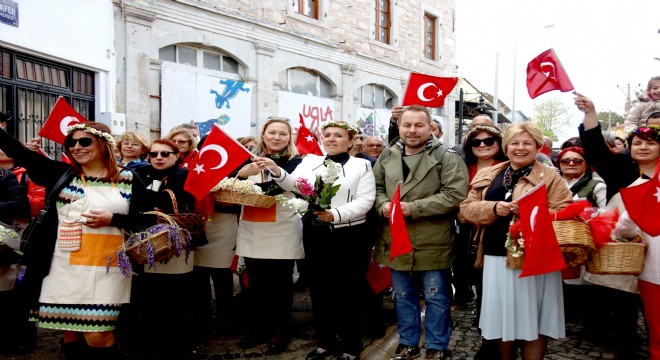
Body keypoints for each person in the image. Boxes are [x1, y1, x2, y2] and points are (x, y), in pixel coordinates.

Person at [0, 122, 152, 360]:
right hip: (63, 267)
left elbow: (149, 220)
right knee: (72, 332)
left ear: (104, 144)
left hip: (108, 268)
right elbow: (20, 153)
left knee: (98, 335)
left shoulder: (128, 178)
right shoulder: (60, 173)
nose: (76, 147)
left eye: (84, 141)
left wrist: (114, 219)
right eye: (71, 143)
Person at [255, 120, 375, 360]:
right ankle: (325, 343)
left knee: (347, 291)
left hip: (348, 235)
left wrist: (336, 214)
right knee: (320, 291)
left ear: (350, 142)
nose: (331, 139)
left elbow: (365, 201)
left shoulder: (361, 165)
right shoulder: (310, 161)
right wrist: (277, 171)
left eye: (338, 135)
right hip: (315, 234)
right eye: (327, 135)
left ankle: (351, 344)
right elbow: (294, 185)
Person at [460, 122, 572, 360]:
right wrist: (494, 207)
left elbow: (565, 211)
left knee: (534, 326)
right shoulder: (489, 173)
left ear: (538, 146)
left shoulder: (550, 176)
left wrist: (531, 213)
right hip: (494, 256)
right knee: (502, 326)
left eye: (527, 143)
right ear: (506, 146)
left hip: (533, 261)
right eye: (515, 143)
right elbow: (466, 209)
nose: (520, 148)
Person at [374, 105, 468, 360]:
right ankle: (408, 343)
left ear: (430, 127)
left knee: (436, 297)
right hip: (395, 237)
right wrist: (383, 205)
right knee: (403, 296)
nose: (412, 131)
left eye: (418, 125)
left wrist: (412, 208)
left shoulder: (447, 156)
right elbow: (377, 187)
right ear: (400, 126)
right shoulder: (387, 154)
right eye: (407, 125)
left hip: (433, 239)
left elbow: (455, 195)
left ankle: (437, 347)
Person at [576, 93, 656, 358]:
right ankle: (627, 343)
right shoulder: (622, 167)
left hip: (658, 246)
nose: (643, 148)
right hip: (626, 245)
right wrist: (591, 113)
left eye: (650, 143)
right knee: (624, 295)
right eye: (638, 143)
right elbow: (597, 150)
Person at [235, 118, 303, 354]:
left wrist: (274, 169)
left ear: (289, 137)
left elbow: (294, 186)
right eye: (272, 132)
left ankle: (281, 330)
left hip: (281, 228)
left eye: (282, 134)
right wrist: (245, 172)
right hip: (254, 226)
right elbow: (231, 183)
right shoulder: (248, 158)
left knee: (281, 285)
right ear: (263, 134)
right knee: (255, 285)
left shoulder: (296, 160)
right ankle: (258, 327)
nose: (276, 137)